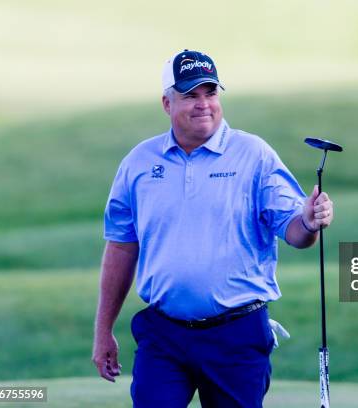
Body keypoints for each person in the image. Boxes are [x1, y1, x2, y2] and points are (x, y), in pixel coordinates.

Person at [91, 49, 334, 407]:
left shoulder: (254, 155)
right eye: (190, 95)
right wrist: (103, 331)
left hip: (236, 336)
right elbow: (122, 247)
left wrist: (310, 221)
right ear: (166, 103)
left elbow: (296, 232)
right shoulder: (139, 164)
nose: (203, 104)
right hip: (164, 335)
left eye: (211, 93)